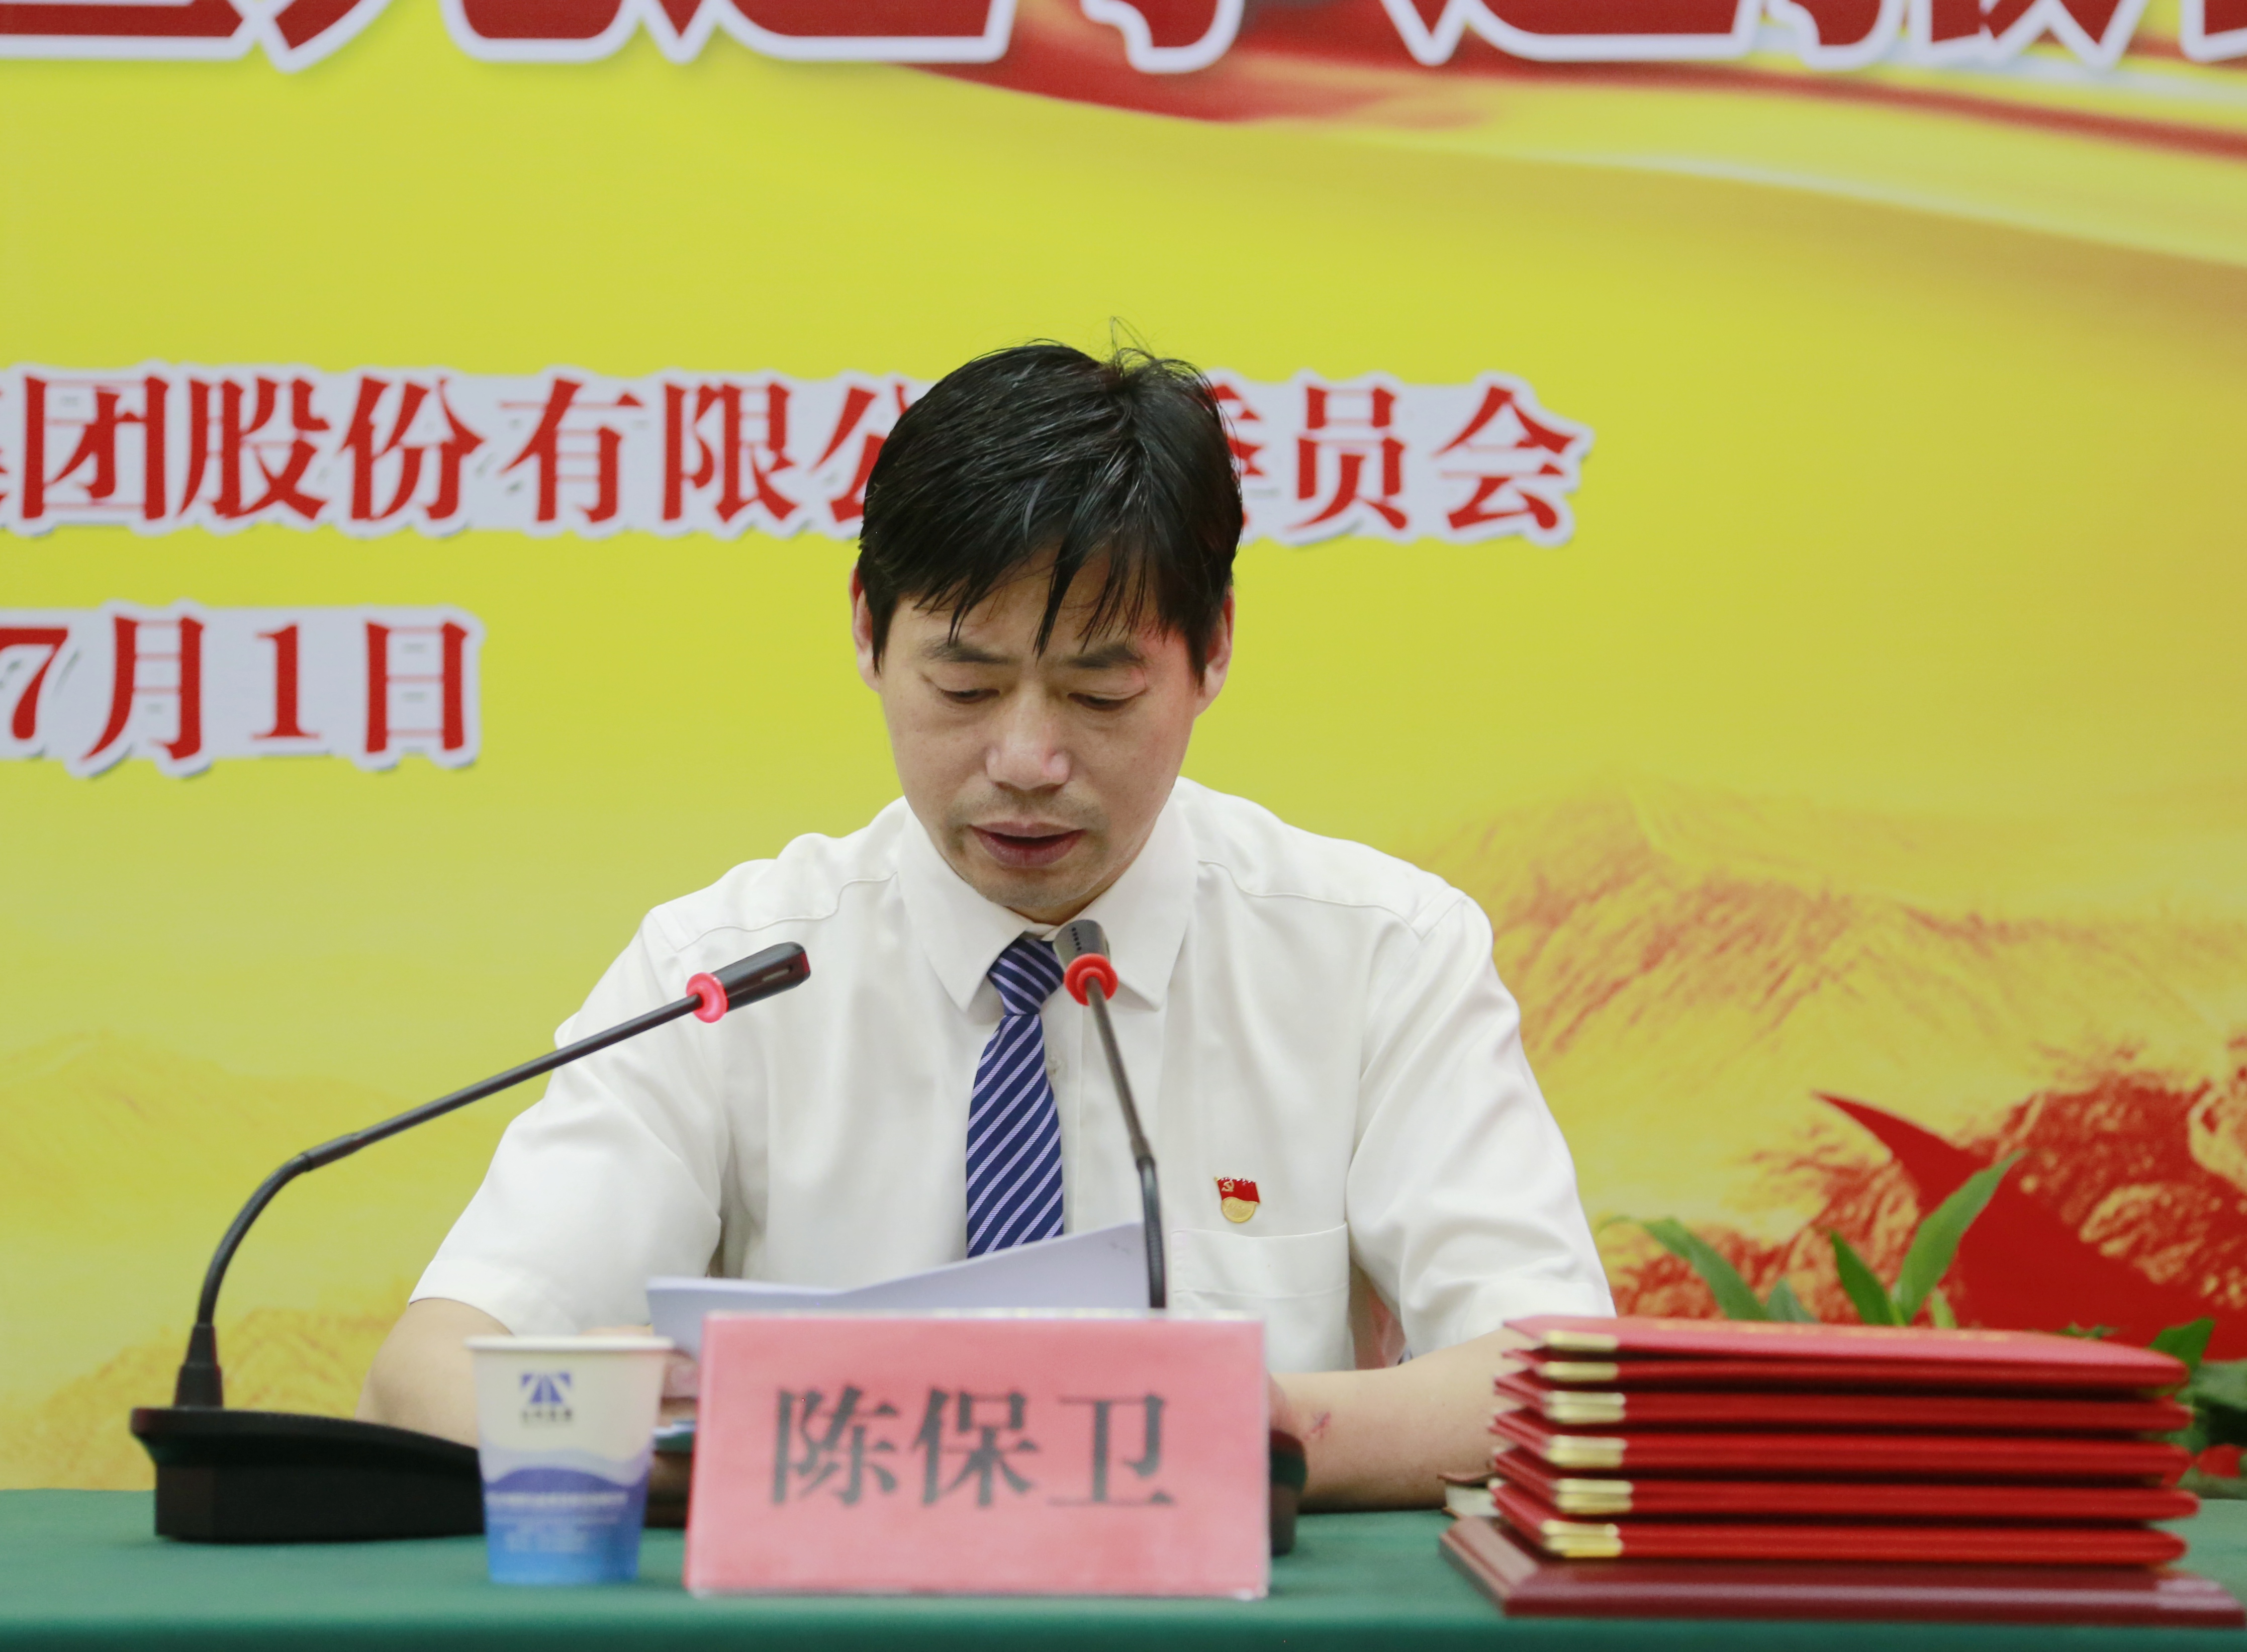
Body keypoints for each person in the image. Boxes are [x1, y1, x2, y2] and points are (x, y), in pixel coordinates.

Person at [358, 341, 1611, 1507]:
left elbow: (1560, 1381)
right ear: (867, 631)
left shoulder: (1380, 955)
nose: (1025, 758)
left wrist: (1239, 1425)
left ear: (1213, 649)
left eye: (1099, 692)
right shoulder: (726, 975)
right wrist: (743, 1439)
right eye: (965, 685)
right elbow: (423, 1384)